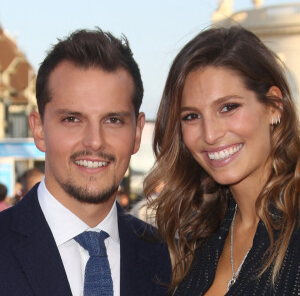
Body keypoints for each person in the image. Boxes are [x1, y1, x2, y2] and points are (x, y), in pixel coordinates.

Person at [0, 28, 171, 296]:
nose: (94, 141)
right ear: (39, 130)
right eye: (72, 119)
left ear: (137, 133)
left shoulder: (164, 257)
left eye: (113, 120)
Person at [144, 26, 300, 295]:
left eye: (228, 107)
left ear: (274, 106)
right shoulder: (203, 231)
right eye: (191, 116)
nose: (211, 134)